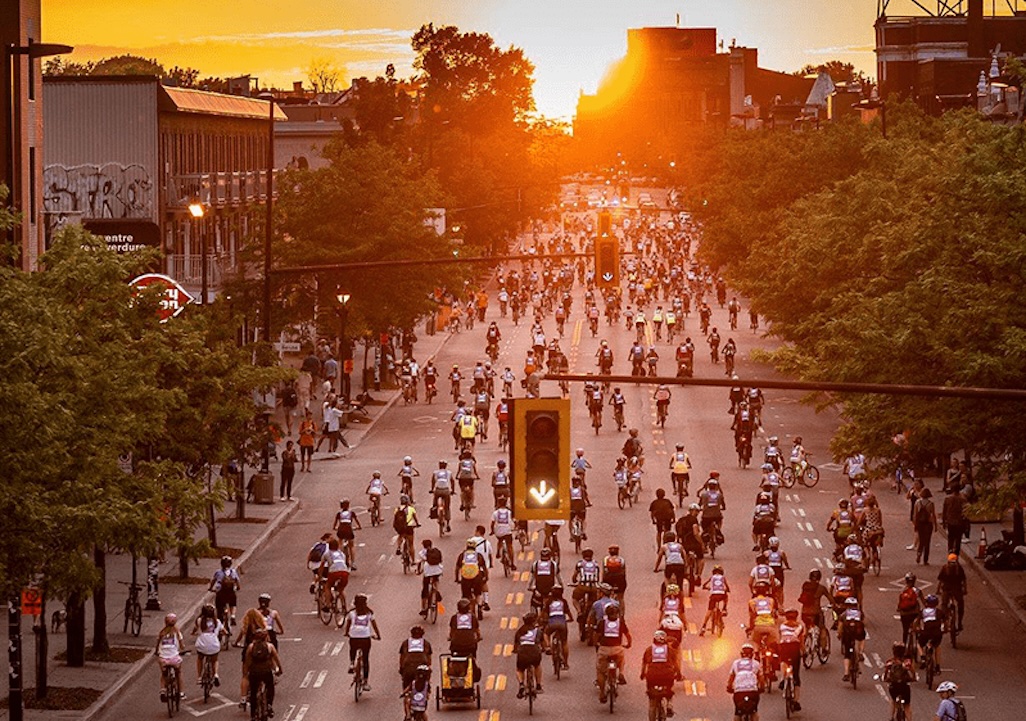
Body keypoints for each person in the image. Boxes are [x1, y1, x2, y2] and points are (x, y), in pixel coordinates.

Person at [595, 603, 632, 704]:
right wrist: (628, 644)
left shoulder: (602, 623)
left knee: (601, 671)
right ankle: (621, 673)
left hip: (604, 650)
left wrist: (597, 644)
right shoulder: (621, 623)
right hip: (617, 649)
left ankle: (602, 693)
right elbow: (628, 636)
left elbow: (596, 636)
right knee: (621, 660)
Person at [342, 594, 381, 690]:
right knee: (365, 658)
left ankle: (351, 663)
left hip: (354, 637)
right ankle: (366, 682)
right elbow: (374, 626)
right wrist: (378, 636)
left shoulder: (351, 613)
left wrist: (347, 633)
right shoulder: (369, 613)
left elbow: (348, 625)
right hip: (365, 637)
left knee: (352, 648)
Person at [243, 626, 282, 720]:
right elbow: (277, 660)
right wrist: (280, 669)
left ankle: (253, 714)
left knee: (253, 692)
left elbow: (247, 662)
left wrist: (245, 673)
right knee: (270, 687)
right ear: (266, 637)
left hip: (254, 673)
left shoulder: (251, 647)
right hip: (266, 672)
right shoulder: (270, 647)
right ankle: (269, 705)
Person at [640, 630, 682, 717]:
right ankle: (669, 704)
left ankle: (652, 702)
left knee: (651, 696)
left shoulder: (649, 650)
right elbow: (676, 664)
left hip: (652, 676)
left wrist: (642, 674)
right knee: (669, 690)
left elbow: (644, 664)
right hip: (667, 676)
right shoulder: (670, 650)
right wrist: (679, 674)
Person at [776, 609, 804, 711]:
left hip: (784, 647)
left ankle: (783, 679)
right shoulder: (800, 626)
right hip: (795, 648)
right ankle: (796, 701)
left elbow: (780, 638)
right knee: (796, 675)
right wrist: (803, 651)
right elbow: (801, 641)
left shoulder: (782, 626)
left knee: (783, 661)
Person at [726, 643, 762, 721]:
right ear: (752, 654)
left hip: (739, 693)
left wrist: (729, 687)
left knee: (737, 713)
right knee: (754, 712)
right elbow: (761, 677)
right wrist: (761, 688)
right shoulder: (756, 663)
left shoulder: (736, 663)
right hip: (752, 692)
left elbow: (731, 677)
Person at [514, 611, 545, 697]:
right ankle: (538, 685)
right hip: (534, 651)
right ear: (533, 622)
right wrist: (544, 649)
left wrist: (516, 651)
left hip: (523, 652)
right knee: (537, 665)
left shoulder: (519, 631)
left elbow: (515, 647)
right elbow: (543, 644)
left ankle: (521, 684)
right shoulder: (537, 631)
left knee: (519, 669)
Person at [156, 612, 185, 703]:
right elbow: (181, 645)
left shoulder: (161, 633)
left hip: (163, 659)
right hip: (174, 658)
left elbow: (157, 645)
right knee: (178, 673)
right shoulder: (177, 632)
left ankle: (163, 691)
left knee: (163, 675)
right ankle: (181, 692)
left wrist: (157, 652)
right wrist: (182, 648)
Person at [883, 642, 916, 720]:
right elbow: (912, 671)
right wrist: (913, 677)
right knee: (907, 705)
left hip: (894, 686)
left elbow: (886, 673)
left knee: (893, 700)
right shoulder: (906, 662)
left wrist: (885, 678)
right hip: (904, 686)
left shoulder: (890, 662)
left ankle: (891, 717)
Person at [192, 604, 223, 687]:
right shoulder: (217, 622)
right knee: (215, 660)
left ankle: (199, 677)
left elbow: (195, 629)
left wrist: (193, 633)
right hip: (214, 645)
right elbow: (224, 631)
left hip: (202, 645)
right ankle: (215, 674)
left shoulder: (199, 621)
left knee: (200, 658)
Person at [317, 538, 349, 611]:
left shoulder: (327, 554)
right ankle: (344, 606)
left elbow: (321, 566)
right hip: (344, 571)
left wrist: (320, 576)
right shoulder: (342, 553)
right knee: (341, 590)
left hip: (334, 571)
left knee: (327, 587)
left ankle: (328, 605)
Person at [545, 587, 573, 669]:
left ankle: (548, 646)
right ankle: (566, 663)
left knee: (546, 634)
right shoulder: (563, 601)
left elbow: (544, 613)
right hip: (562, 623)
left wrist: (541, 621)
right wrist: (571, 619)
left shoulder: (549, 602)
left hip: (552, 623)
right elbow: (568, 611)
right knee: (564, 642)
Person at [839, 597, 866, 682]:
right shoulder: (860, 613)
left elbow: (840, 626)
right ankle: (861, 652)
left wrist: (839, 634)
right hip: (858, 632)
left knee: (847, 654)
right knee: (862, 638)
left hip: (847, 634)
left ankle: (846, 673)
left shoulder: (844, 614)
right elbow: (862, 623)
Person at [937, 553, 967, 632]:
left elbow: (941, 581)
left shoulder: (945, 568)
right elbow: (964, 580)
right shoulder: (959, 568)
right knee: (960, 604)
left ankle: (944, 622)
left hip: (946, 589)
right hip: (957, 590)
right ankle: (959, 622)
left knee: (944, 604)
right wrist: (965, 590)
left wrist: (937, 590)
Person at [896, 572, 925, 651]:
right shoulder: (917, 590)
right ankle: (919, 643)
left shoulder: (902, 590)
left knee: (905, 630)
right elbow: (924, 602)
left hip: (904, 614)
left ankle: (904, 647)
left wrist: (898, 609)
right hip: (915, 613)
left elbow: (899, 604)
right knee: (917, 627)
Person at [398, 626, 433, 691]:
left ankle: (406, 693)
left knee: (406, 686)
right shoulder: (426, 643)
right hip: (421, 670)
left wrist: (401, 669)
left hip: (408, 669)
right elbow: (429, 661)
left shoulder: (405, 643)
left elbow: (401, 658)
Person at [699, 565, 730, 636]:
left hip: (714, 596)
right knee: (726, 596)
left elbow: (704, 584)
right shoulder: (723, 578)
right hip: (721, 595)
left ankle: (704, 627)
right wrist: (727, 589)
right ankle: (724, 608)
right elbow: (727, 586)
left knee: (709, 611)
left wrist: (706, 587)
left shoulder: (712, 577)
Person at [209, 556, 241, 624]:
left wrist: (210, 588)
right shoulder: (233, 571)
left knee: (219, 605)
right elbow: (237, 581)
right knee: (233, 604)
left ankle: (220, 620)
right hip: (231, 592)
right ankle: (233, 615)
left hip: (221, 592)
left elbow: (213, 581)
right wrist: (238, 587)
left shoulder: (218, 572)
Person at [334, 498, 362, 570]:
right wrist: (358, 527)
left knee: (340, 543)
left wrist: (335, 528)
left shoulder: (339, 514)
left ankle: (340, 559)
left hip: (341, 529)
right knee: (351, 546)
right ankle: (353, 563)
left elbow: (334, 525)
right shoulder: (351, 513)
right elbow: (357, 522)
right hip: (349, 529)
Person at [914, 488, 938, 565]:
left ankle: (919, 553)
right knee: (927, 542)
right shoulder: (931, 504)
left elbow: (915, 515)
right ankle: (925, 559)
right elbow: (933, 515)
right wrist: (935, 525)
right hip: (928, 524)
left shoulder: (917, 502)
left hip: (920, 523)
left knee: (921, 540)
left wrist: (915, 524)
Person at [941, 486, 967, 557]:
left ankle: (950, 551)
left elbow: (944, 511)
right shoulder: (963, 500)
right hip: (959, 522)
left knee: (951, 538)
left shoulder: (947, 499)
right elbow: (965, 512)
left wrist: (944, 522)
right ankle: (956, 554)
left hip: (950, 521)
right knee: (958, 539)